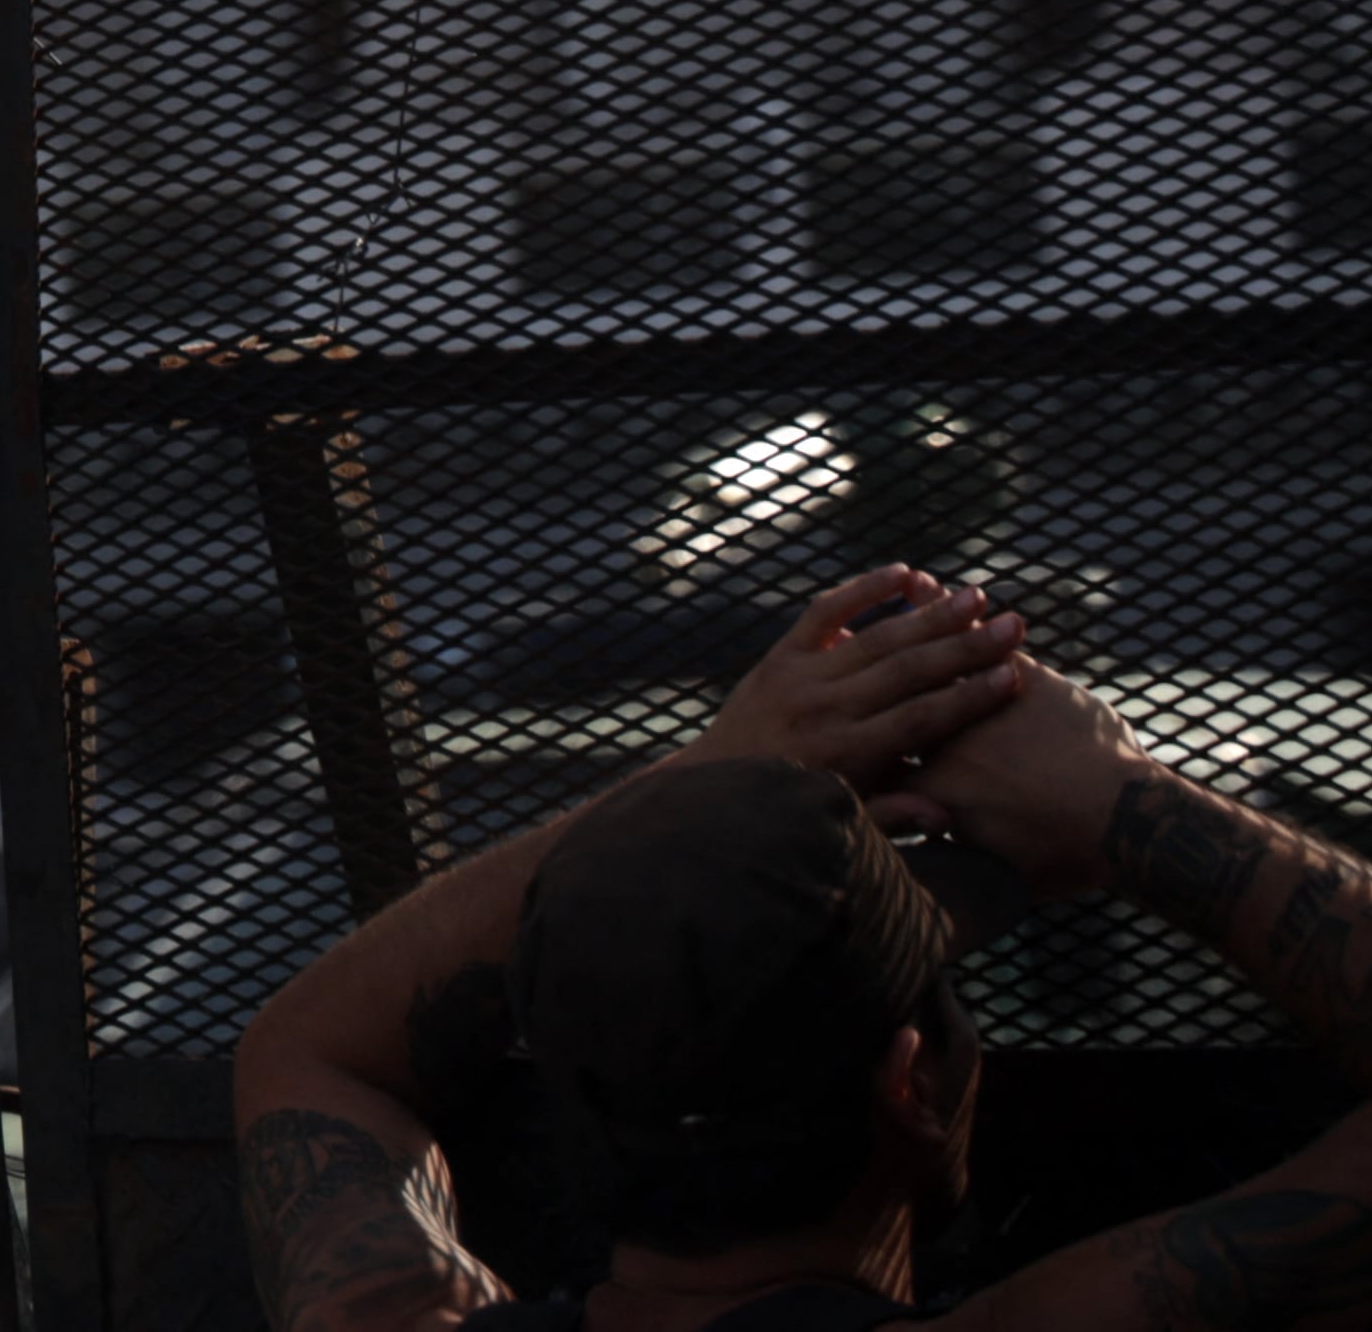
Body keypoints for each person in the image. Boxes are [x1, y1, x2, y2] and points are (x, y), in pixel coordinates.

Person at [233, 564, 1372, 1331]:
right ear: (913, 1081)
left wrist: (711, 774)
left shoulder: (383, 1308)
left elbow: (307, 1050)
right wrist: (1118, 801)